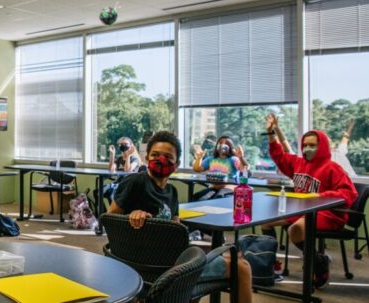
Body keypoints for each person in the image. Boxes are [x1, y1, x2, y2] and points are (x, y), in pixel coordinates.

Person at [109, 131, 254, 303]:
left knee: (223, 256)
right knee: (242, 267)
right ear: (147, 157)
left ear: (176, 164)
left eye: (167, 157)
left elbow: (176, 232)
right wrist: (130, 217)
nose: (161, 160)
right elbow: (110, 220)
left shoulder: (172, 192)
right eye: (155, 155)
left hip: (172, 262)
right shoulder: (135, 182)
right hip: (159, 270)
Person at [260, 113, 357, 289]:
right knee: (266, 222)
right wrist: (271, 134)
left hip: (329, 214)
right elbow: (280, 156)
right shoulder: (299, 164)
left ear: (322, 146)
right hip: (303, 212)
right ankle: (270, 266)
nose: (307, 148)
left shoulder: (333, 168)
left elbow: (349, 194)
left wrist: (320, 196)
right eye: (305, 145)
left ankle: (318, 263)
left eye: (312, 145)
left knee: (295, 229)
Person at [192, 135, 250, 201]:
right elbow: (197, 169)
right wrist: (199, 158)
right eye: (220, 143)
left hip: (229, 187)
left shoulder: (234, 159)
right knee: (199, 198)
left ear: (230, 147)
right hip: (214, 187)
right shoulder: (211, 159)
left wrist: (241, 157)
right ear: (217, 146)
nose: (223, 145)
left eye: (226, 143)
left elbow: (245, 168)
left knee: (219, 197)